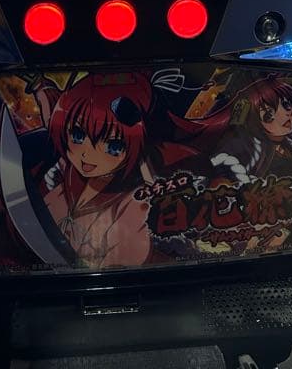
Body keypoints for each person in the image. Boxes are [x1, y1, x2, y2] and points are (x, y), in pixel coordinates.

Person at [28, 70, 242, 269]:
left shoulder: (134, 205)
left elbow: (126, 262)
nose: (87, 155)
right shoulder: (69, 176)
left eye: (113, 146)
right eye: (77, 136)